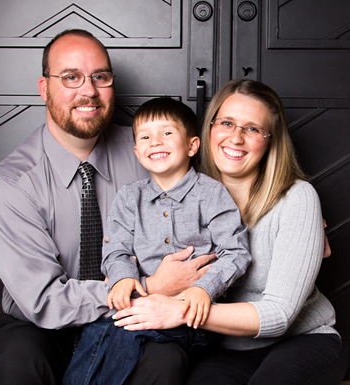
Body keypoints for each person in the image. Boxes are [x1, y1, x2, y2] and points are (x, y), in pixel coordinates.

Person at [0, 29, 215, 385]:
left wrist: (286, 211)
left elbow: (207, 200)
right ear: (44, 88)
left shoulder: (146, 152)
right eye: (71, 77)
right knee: (16, 365)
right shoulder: (11, 185)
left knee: (165, 361)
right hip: (42, 326)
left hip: (136, 317)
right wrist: (149, 286)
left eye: (100, 77)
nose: (88, 91)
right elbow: (44, 301)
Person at [114, 80, 349, 384]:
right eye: (226, 123)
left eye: (252, 129)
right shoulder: (185, 195)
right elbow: (136, 255)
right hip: (222, 346)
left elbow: (279, 316)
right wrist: (128, 277)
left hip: (302, 340)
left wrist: (182, 310)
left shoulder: (296, 198)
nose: (235, 138)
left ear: (270, 140)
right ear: (208, 131)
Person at [62, 97, 251, 385]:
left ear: (192, 145)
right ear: (137, 152)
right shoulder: (129, 197)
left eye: (167, 133)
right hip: (138, 305)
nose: (156, 142)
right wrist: (123, 277)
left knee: (123, 334)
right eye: (146, 137)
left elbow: (236, 253)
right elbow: (116, 248)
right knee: (98, 335)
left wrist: (203, 289)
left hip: (188, 316)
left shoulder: (212, 194)